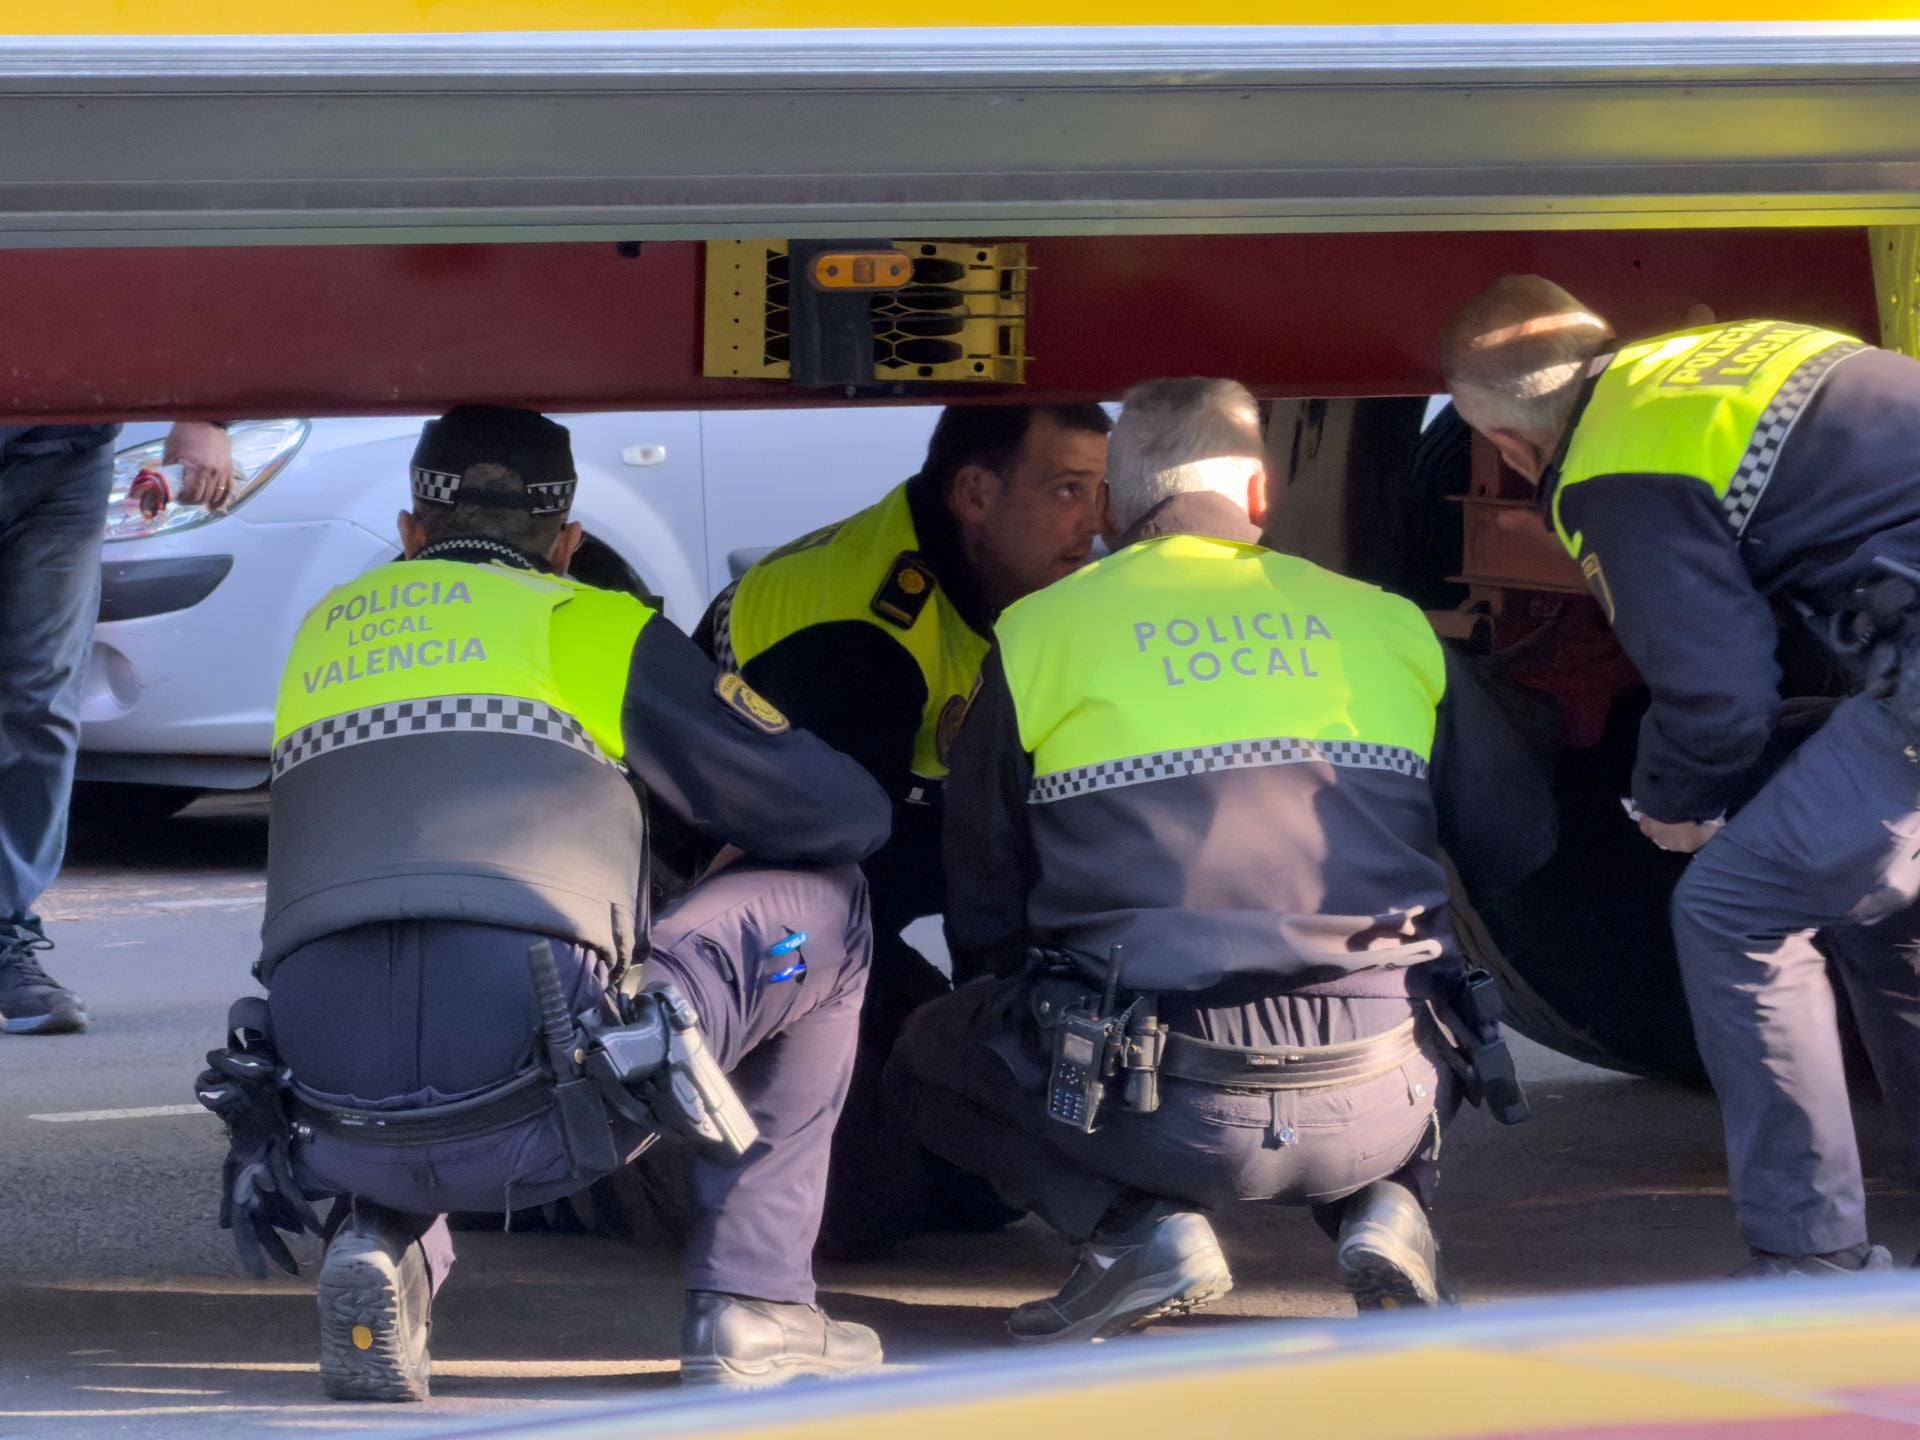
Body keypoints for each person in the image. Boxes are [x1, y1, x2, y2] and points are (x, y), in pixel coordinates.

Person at [195, 405, 893, 1400]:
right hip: (557, 1104)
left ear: (409, 535)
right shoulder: (590, 625)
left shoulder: (324, 634)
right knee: (837, 906)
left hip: (331, 1106)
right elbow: (841, 814)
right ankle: (758, 1298)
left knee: (398, 934)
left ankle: (384, 1241)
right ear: (567, 544)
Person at [886, 377, 1555, 1342]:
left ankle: (1136, 1234)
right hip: (1387, 1089)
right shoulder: (1387, 624)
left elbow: (985, 887)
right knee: (1424, 993)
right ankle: (1391, 1207)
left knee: (926, 1052)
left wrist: (1024, 1022)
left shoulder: (1038, 634)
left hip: (1151, 1107)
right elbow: (1518, 843)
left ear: (1113, 511)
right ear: (1257, 500)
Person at [1439, 275, 1920, 1278]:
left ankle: (1810, 1261)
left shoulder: (1610, 462)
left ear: (1512, 445)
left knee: (1731, 909)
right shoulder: (1738, 355)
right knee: (1870, 890)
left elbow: (1716, 698)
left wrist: (1673, 804)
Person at [694, 403, 1111, 1253]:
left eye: (1105, 491)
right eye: (1069, 490)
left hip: (867, 879)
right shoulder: (858, 636)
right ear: (974, 494)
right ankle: (580, 1185)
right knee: (848, 1210)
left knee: (982, 1173)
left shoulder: (1012, 584)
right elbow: (806, 892)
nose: (1095, 523)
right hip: (732, 916)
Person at [1, 418, 231, 1034]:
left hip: (65, 452)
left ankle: (4, 932)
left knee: (39, 700)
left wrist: (204, 414)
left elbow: (188, 314)